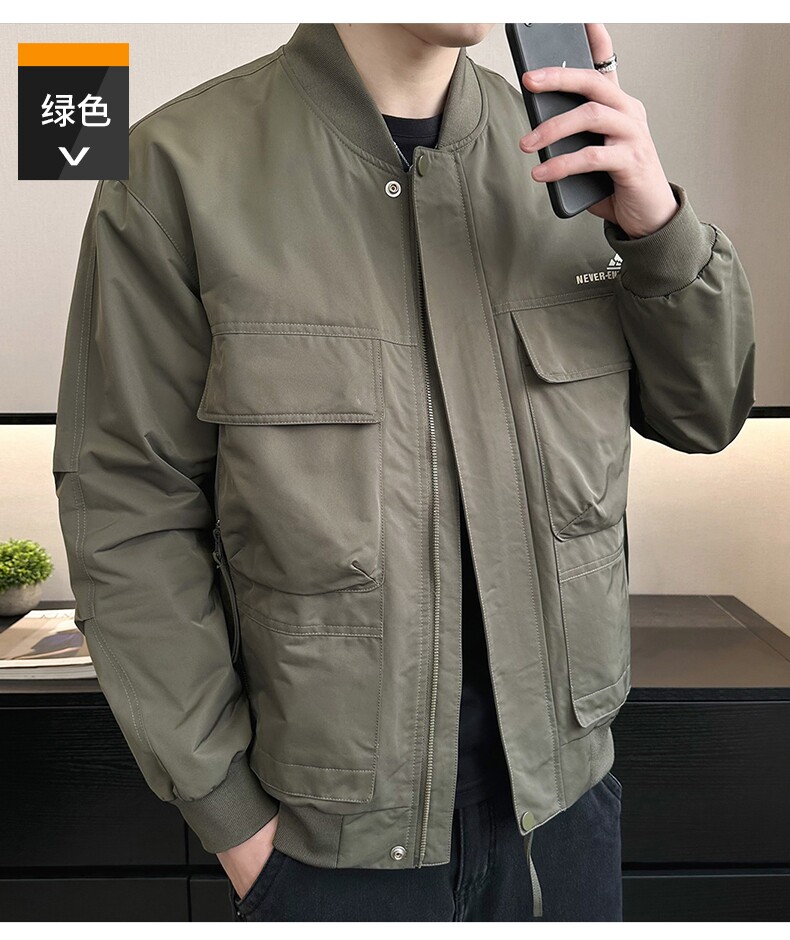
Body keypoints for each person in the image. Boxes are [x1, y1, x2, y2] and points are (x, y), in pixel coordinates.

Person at [53, 22, 756, 922]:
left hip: (563, 825)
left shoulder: (573, 157)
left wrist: (658, 229)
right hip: (322, 854)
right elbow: (126, 508)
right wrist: (235, 824)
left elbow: (703, 416)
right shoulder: (176, 168)